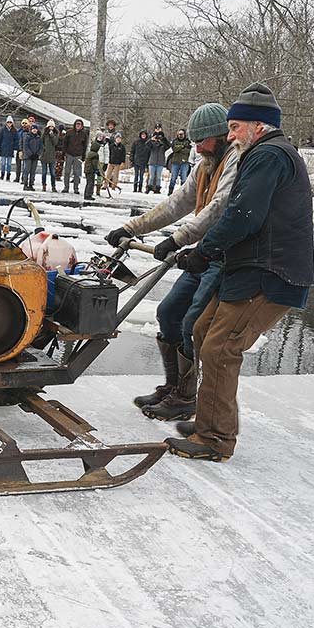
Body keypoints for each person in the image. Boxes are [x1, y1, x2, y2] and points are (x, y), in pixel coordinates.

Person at [165, 83, 314, 461]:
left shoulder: (269, 156)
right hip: (248, 267)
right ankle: (208, 420)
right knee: (201, 331)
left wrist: (204, 251)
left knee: (221, 347)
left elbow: (243, 215)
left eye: (234, 128)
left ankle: (214, 440)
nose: (229, 136)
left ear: (258, 125)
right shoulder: (261, 152)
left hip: (271, 271)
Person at [104, 103, 239, 423]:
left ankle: (186, 397)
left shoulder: (236, 161)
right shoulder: (205, 163)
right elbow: (177, 203)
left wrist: (177, 240)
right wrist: (131, 227)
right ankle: (174, 385)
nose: (197, 147)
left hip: (223, 257)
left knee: (193, 323)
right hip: (201, 255)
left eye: (202, 141)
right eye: (194, 141)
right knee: (168, 313)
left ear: (220, 136)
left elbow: (218, 209)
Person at [62, 118, 87, 194]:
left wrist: (83, 156)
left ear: (82, 126)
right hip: (69, 154)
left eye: (80, 124)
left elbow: (85, 146)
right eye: (77, 124)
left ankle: (76, 188)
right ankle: (66, 187)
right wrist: (64, 153)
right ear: (75, 125)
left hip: (78, 155)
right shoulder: (69, 132)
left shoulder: (84, 134)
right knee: (67, 172)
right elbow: (65, 143)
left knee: (77, 173)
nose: (78, 126)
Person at [167, 128, 192, 194]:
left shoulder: (188, 142)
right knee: (173, 178)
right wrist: (182, 146)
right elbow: (174, 149)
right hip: (175, 162)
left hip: (184, 162)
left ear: (184, 134)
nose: (180, 135)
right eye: (179, 134)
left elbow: (188, 151)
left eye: (182, 134)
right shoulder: (174, 141)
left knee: (184, 179)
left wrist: (179, 148)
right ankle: (170, 192)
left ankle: (182, 193)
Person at [146, 124, 169, 193]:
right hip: (152, 161)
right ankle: (149, 188)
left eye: (159, 128)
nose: (158, 129)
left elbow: (168, 146)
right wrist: (151, 139)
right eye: (156, 128)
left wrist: (163, 139)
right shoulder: (152, 139)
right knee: (151, 176)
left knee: (158, 177)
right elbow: (146, 145)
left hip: (160, 161)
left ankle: (157, 189)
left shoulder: (163, 140)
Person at [21, 124, 42, 191]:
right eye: (33, 129)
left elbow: (41, 147)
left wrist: (37, 154)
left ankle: (31, 184)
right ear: (31, 130)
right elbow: (25, 146)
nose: (34, 130)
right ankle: (25, 184)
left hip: (35, 157)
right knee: (26, 171)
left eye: (35, 129)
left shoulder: (39, 138)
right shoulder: (28, 137)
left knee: (33, 171)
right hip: (28, 157)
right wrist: (30, 154)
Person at [39, 120, 59, 192]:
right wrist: (43, 149)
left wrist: (52, 135)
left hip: (52, 156)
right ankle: (44, 185)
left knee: (52, 173)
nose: (51, 128)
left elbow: (55, 143)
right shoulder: (44, 133)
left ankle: (53, 186)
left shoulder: (55, 134)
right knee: (44, 172)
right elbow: (41, 142)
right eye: (50, 126)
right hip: (44, 155)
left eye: (52, 127)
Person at [83, 132, 102, 199]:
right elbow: (94, 164)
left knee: (88, 183)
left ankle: (86, 194)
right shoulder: (95, 155)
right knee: (91, 183)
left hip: (87, 170)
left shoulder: (89, 153)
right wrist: (97, 171)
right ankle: (88, 195)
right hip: (90, 171)